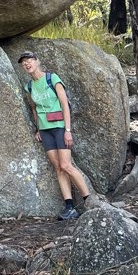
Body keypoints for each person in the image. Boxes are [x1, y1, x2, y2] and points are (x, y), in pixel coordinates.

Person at [17, 50, 91, 221]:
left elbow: (65, 105)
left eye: (29, 60)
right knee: (58, 167)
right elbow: (34, 109)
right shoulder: (29, 87)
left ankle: (89, 200)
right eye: (23, 62)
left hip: (59, 128)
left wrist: (68, 130)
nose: (27, 63)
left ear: (37, 61)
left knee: (66, 165)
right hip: (45, 131)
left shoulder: (52, 79)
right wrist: (38, 129)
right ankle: (69, 207)